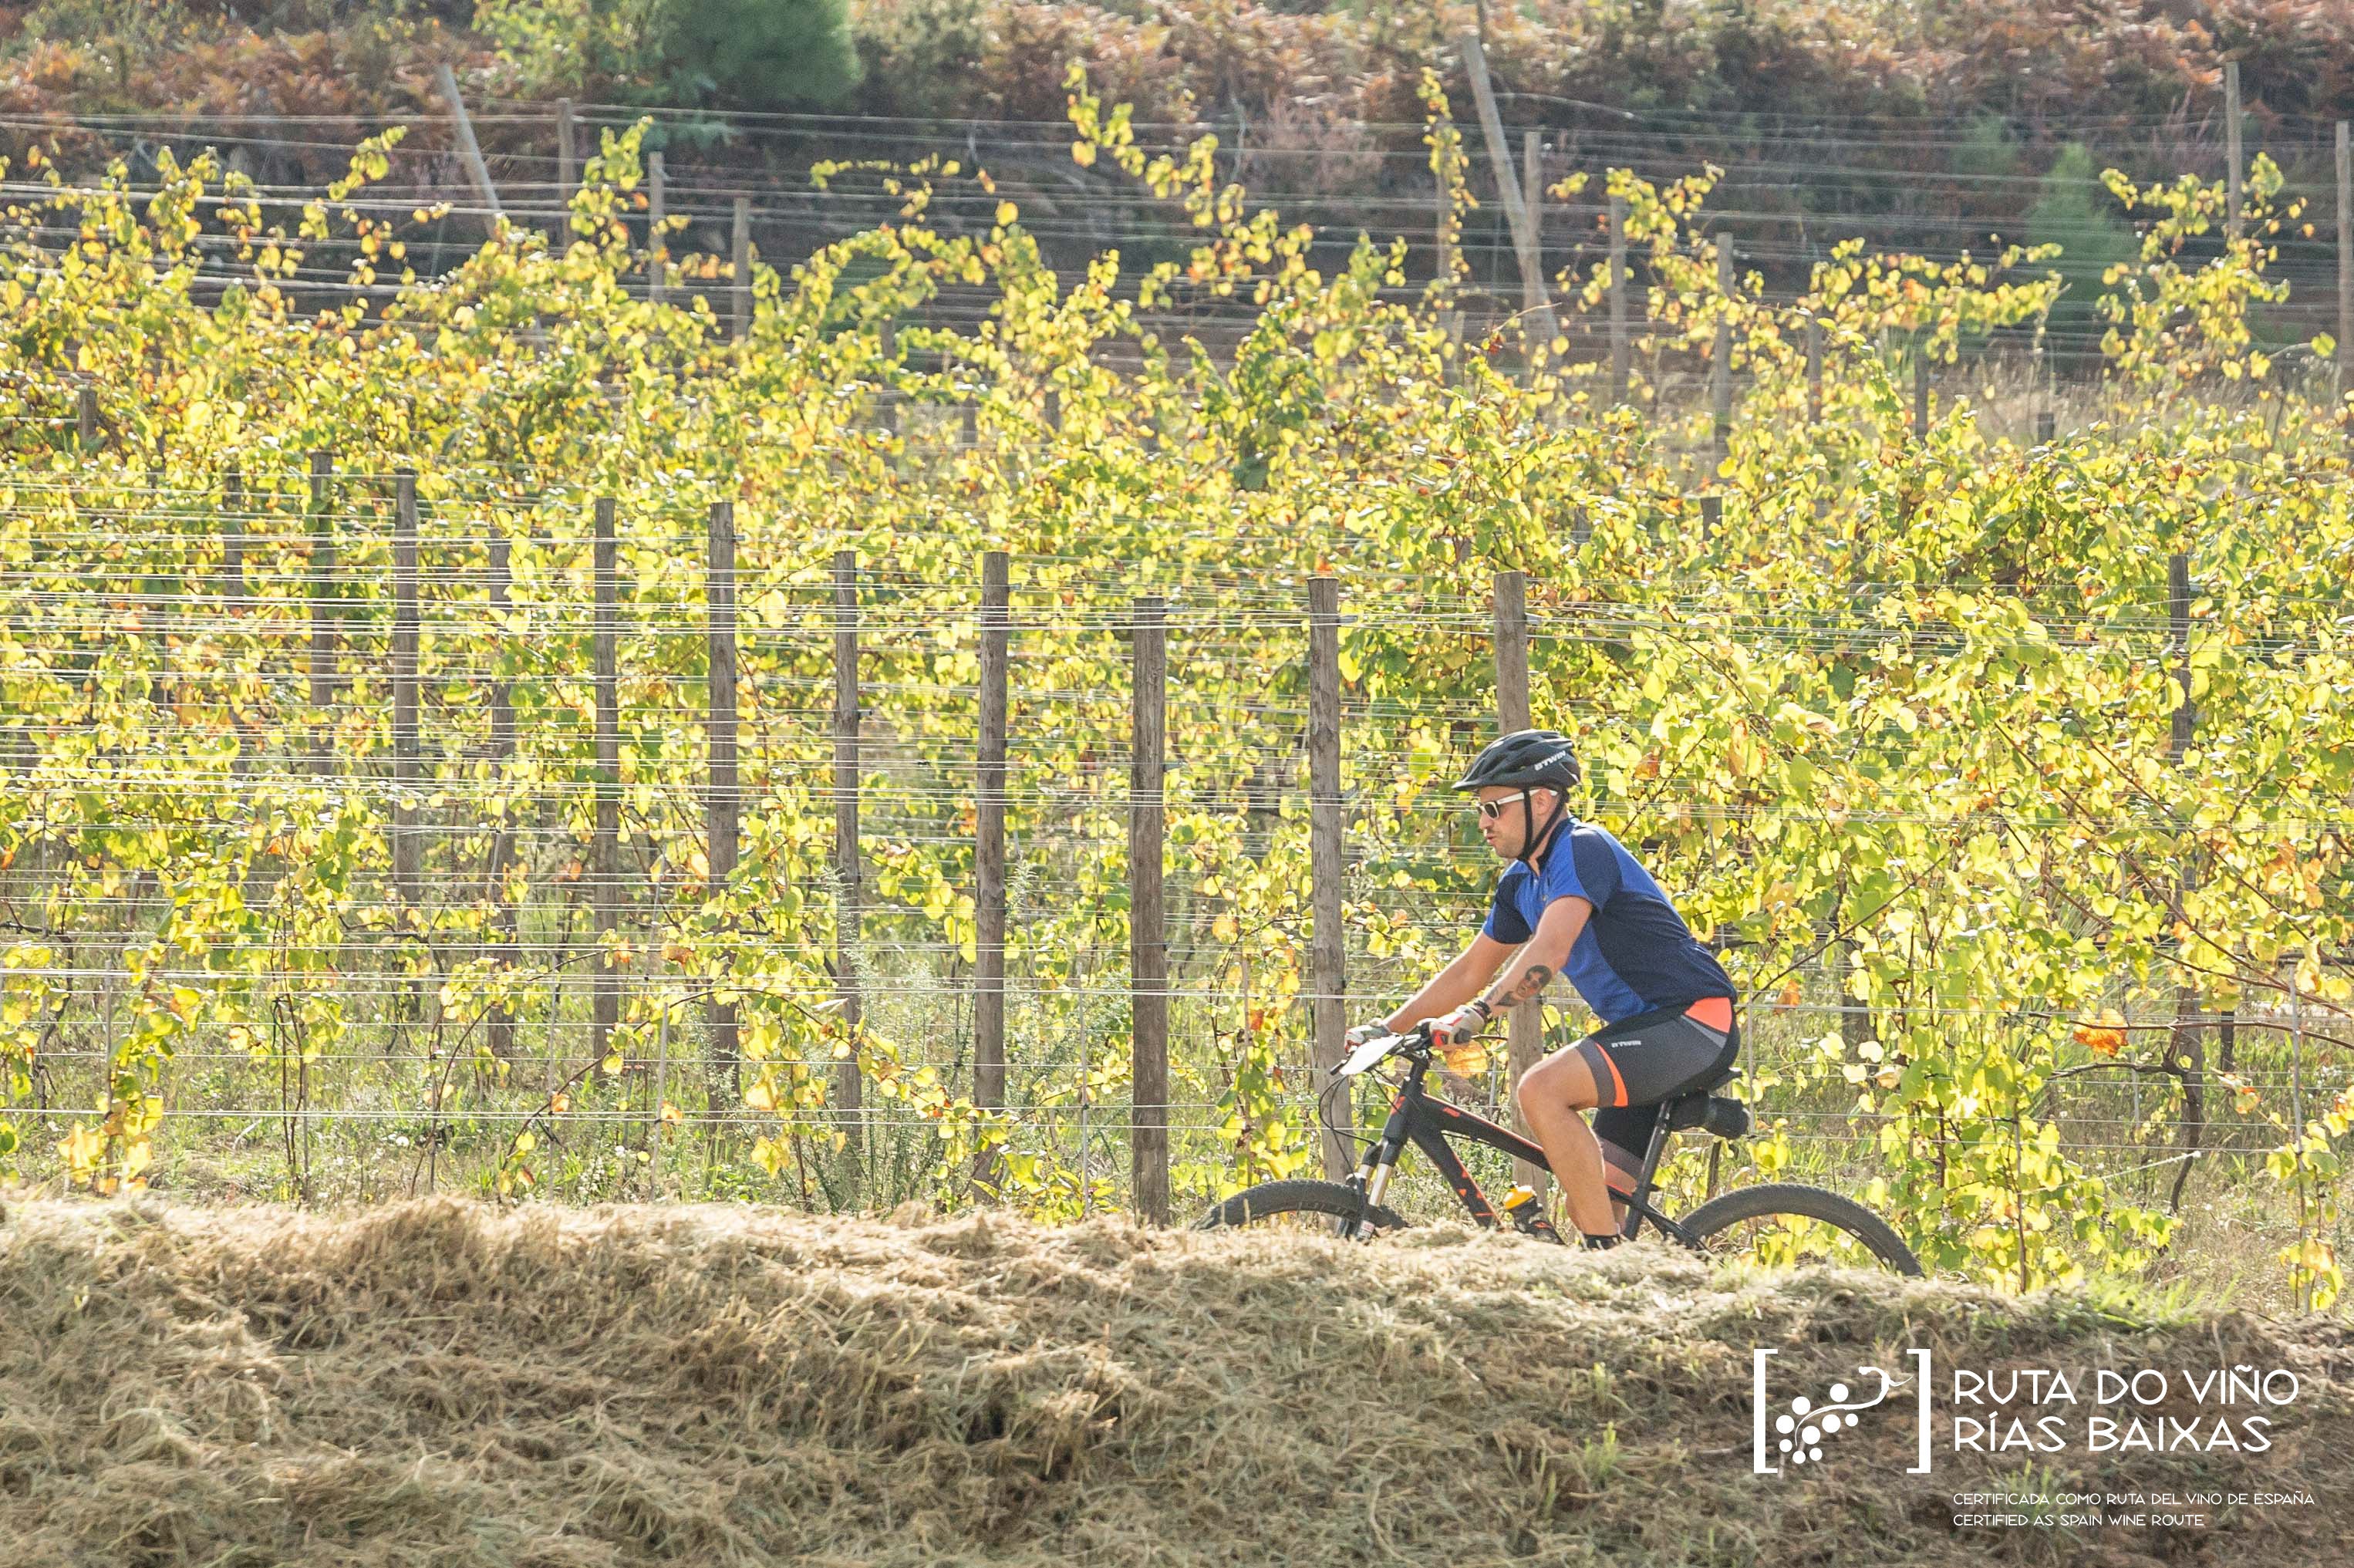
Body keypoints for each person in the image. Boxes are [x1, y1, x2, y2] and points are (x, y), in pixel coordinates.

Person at [1349, 728, 1739, 1249]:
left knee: (1541, 1089)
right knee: (1592, 1202)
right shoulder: (1519, 882)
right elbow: (1470, 970)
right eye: (1481, 810)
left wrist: (1478, 1015)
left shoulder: (1581, 849)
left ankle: (1606, 1270)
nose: (1483, 822)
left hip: (1693, 1023)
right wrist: (1387, 1029)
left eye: (1495, 808)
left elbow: (1549, 951)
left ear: (1543, 800)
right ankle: (1617, 1280)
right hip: (1643, 1034)